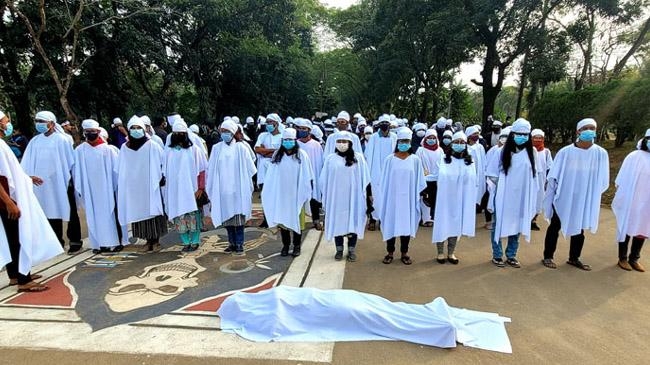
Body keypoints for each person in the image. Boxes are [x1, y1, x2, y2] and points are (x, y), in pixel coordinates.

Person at [0, 110, 63, 292]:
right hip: (7, 200)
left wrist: (26, 178)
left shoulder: (2, 144)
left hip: (9, 197)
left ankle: (15, 274)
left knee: (12, 237)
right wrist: (9, 202)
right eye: (5, 121)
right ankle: (23, 280)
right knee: (17, 237)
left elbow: (9, 172)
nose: (8, 123)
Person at [542, 118, 609, 270]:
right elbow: (553, 176)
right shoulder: (565, 152)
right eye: (586, 128)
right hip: (564, 197)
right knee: (555, 226)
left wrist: (591, 196)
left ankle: (574, 258)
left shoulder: (600, 154)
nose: (589, 131)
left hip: (584, 198)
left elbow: (603, 180)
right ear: (578, 131)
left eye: (592, 128)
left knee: (580, 228)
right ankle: (547, 256)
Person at [20, 111, 78, 253]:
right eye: (37, 121)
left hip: (62, 182)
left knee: (69, 210)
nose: (39, 124)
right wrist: (30, 177)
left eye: (42, 121)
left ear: (51, 123)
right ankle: (56, 242)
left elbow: (70, 162)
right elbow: (26, 163)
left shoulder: (62, 140)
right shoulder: (35, 141)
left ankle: (75, 240)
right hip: (42, 185)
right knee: (50, 212)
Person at [487, 119, 538, 268]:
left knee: (517, 225)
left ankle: (511, 255)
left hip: (521, 196)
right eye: (519, 134)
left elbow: (534, 175)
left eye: (525, 134)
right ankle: (497, 254)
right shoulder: (501, 151)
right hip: (504, 195)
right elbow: (492, 173)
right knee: (498, 224)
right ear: (512, 134)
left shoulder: (532, 152)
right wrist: (504, 186)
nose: (522, 137)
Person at [116, 116, 167, 252]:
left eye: (139, 128)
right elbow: (120, 168)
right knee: (138, 212)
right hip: (134, 187)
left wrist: (161, 177)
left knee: (153, 212)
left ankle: (155, 241)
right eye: (133, 128)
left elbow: (162, 162)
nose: (136, 130)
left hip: (150, 185)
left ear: (144, 130)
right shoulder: (125, 148)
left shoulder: (152, 145)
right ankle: (146, 240)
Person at [207, 119, 256, 255]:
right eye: (222, 131)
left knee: (238, 220)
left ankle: (239, 243)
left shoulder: (241, 148)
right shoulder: (217, 148)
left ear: (233, 132)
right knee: (227, 220)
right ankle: (231, 243)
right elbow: (211, 169)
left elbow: (250, 168)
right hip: (222, 190)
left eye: (227, 131)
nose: (224, 134)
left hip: (238, 190)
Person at [261, 128, 313, 257]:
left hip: (296, 194)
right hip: (282, 195)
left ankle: (296, 246)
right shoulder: (278, 155)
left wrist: (306, 192)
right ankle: (285, 245)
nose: (288, 142)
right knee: (283, 222)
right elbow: (271, 177)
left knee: (297, 222)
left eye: (290, 140)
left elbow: (307, 176)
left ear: (295, 141)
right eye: (286, 140)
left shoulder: (301, 155)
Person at [73, 119, 123, 253]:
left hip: (107, 190)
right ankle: (98, 244)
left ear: (98, 132)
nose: (90, 134)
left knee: (109, 215)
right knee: (93, 216)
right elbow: (76, 171)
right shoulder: (80, 150)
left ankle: (114, 242)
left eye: (93, 132)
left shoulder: (108, 150)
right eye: (87, 132)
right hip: (89, 191)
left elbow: (116, 171)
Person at [378, 128, 427, 265]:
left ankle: (404, 253)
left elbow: (420, 181)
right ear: (397, 142)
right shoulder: (389, 160)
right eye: (401, 141)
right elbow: (384, 181)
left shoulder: (415, 160)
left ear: (410, 142)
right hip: (392, 199)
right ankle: (390, 252)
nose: (404, 144)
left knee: (406, 225)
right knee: (391, 223)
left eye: (406, 141)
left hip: (408, 200)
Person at [320, 131, 370, 262]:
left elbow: (366, 180)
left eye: (344, 141)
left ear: (350, 143)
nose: (342, 144)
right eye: (339, 141)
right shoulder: (330, 159)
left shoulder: (358, 158)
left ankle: (352, 250)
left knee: (352, 221)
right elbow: (323, 180)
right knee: (338, 223)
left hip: (354, 197)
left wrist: (368, 197)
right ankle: (339, 249)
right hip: (336, 198)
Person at [432, 131, 477, 264]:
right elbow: (435, 176)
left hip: (460, 199)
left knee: (455, 225)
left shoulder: (469, 162)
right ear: (451, 144)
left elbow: (473, 181)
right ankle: (440, 252)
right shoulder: (443, 159)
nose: (459, 145)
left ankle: (451, 253)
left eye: (462, 142)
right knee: (442, 223)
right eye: (456, 142)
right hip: (445, 199)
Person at [163, 121, 208, 252]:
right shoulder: (168, 152)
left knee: (193, 216)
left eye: (181, 133)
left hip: (191, 190)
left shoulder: (194, 150)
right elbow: (165, 173)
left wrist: (200, 188)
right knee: (180, 217)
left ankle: (195, 241)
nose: (178, 135)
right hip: (175, 190)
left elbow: (202, 170)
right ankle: (185, 242)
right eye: (176, 133)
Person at [611, 128, 650, 272]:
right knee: (627, 227)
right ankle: (622, 258)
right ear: (645, 139)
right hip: (632, 200)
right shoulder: (634, 156)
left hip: (647, 203)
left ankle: (634, 258)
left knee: (642, 229)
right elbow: (622, 178)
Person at [295, 118, 324, 231]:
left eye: (304, 129)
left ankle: (316, 220)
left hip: (314, 175)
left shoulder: (316, 145)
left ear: (309, 130)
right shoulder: (295, 144)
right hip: (299, 175)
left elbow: (320, 162)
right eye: (300, 128)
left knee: (314, 199)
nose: (302, 130)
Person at [416, 129, 443, 227]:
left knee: (435, 198)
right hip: (425, 178)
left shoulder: (440, 150)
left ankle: (434, 217)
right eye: (429, 138)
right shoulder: (421, 150)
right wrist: (423, 172)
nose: (431, 140)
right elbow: (417, 163)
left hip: (437, 179)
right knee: (424, 198)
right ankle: (425, 218)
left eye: (433, 138)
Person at [465, 125, 490, 229]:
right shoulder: (466, 148)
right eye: (474, 134)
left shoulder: (479, 147)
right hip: (469, 178)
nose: (476, 136)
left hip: (479, 177)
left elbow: (484, 161)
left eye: (477, 134)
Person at [531, 129, 553, 231]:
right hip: (529, 180)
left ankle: (533, 220)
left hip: (541, 180)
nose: (538, 140)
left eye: (540, 138)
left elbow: (550, 167)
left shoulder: (546, 152)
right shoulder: (527, 150)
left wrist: (547, 182)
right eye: (535, 137)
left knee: (538, 200)